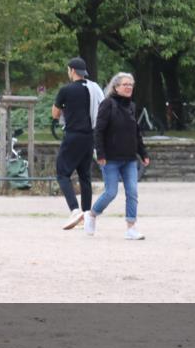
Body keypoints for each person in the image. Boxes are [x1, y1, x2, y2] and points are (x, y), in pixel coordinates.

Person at [85, 73, 151, 239]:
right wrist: (100, 153)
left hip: (129, 158)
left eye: (131, 84)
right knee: (111, 192)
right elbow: (98, 130)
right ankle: (92, 214)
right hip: (110, 158)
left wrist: (143, 153)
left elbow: (136, 132)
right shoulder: (107, 104)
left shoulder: (131, 106)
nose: (129, 87)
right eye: (125, 84)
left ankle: (131, 228)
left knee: (132, 192)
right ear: (115, 87)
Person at [53, 58, 98, 229]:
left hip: (73, 135)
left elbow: (55, 113)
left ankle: (74, 209)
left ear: (71, 70)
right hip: (89, 136)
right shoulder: (93, 89)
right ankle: (87, 215)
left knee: (62, 173)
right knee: (85, 176)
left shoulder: (66, 90)